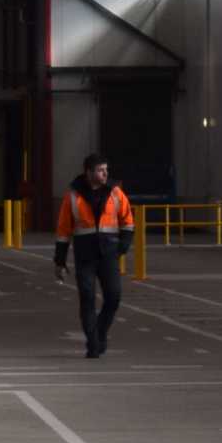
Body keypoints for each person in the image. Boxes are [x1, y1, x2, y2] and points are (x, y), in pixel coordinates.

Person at [55, 154, 135, 359]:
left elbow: (127, 220)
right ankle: (93, 342)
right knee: (87, 298)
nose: (105, 174)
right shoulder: (72, 196)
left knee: (113, 297)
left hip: (109, 254)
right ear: (88, 172)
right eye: (101, 170)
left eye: (106, 170)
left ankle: (100, 332)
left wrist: (123, 246)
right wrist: (60, 261)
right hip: (85, 255)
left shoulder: (115, 192)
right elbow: (64, 230)